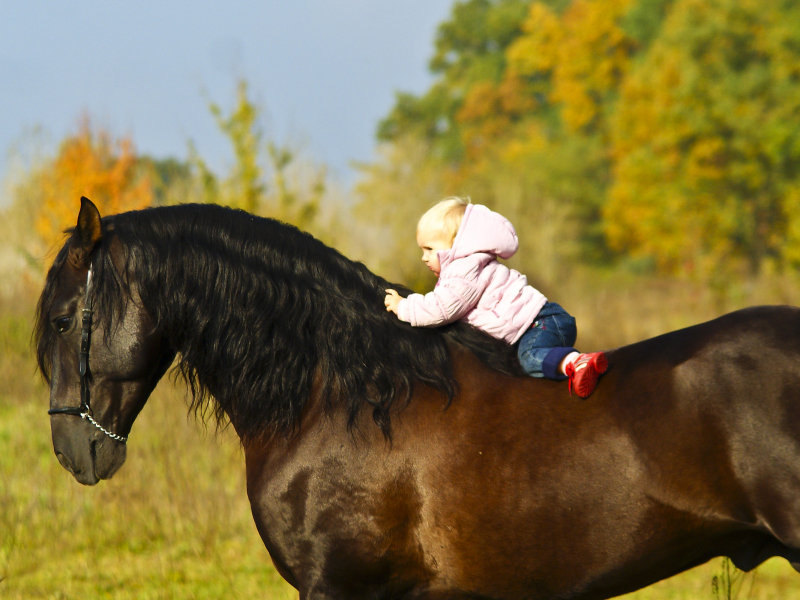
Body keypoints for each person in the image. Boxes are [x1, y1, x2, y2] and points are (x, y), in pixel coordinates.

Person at [384, 197, 607, 398]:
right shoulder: (464, 269)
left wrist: (403, 306)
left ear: (456, 245)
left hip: (540, 324)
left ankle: (577, 362)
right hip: (538, 324)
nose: (424, 258)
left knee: (530, 358)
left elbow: (440, 309)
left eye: (430, 249)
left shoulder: (465, 271)